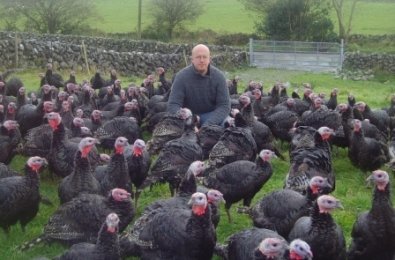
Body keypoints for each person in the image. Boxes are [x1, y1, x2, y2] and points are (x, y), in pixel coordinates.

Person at [167, 44, 230, 126]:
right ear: (192, 59)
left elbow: (224, 106)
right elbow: (173, 104)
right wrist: (187, 121)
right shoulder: (181, 77)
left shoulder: (219, 77)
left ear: (209, 59)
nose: (202, 60)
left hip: (211, 116)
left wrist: (207, 125)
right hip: (187, 117)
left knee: (228, 124)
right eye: (198, 57)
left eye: (204, 57)